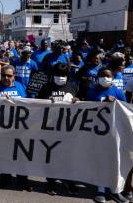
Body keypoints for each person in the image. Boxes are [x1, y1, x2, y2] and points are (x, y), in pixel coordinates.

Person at [0, 65, 32, 191]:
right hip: (2, 129)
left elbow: (28, 104)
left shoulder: (20, 86)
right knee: (4, 156)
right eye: (4, 75)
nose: (6, 78)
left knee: (21, 156)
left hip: (20, 129)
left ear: (14, 76)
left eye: (9, 75)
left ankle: (23, 181)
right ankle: (5, 180)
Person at [37, 63, 79, 196]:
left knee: (69, 156)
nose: (61, 77)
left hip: (68, 127)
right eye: (58, 75)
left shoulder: (72, 87)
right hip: (50, 127)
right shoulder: (46, 87)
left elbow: (82, 103)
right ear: (53, 75)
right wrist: (45, 101)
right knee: (51, 156)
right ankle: (51, 182)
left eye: (64, 75)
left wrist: (78, 100)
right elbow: (37, 103)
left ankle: (69, 181)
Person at [86, 67, 128, 203]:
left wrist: (115, 102)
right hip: (98, 131)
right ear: (98, 77)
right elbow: (87, 108)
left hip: (115, 131)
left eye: (108, 76)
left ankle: (116, 190)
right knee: (101, 160)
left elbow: (126, 109)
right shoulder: (92, 91)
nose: (106, 78)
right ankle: (101, 189)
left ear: (113, 78)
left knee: (115, 161)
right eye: (103, 76)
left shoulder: (117, 91)